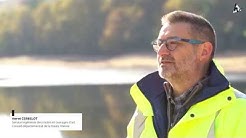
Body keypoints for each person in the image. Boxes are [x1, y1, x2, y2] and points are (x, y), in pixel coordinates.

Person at [126, 10, 246, 138]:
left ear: (204, 51)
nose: (161, 52)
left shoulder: (241, 111)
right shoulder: (144, 110)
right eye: (160, 43)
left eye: (172, 43)